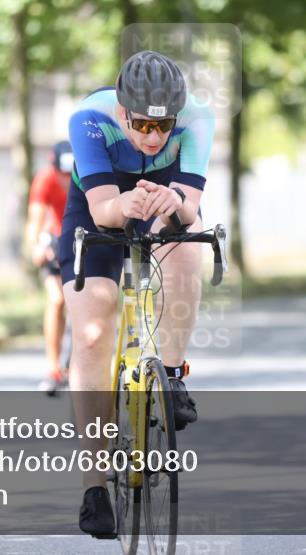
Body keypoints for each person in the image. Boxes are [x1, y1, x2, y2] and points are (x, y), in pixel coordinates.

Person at [57, 50, 214, 536]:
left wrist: (178, 206)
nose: (151, 136)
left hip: (162, 200)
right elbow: (104, 210)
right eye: (141, 124)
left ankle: (171, 375)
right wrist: (126, 203)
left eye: (162, 126)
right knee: (91, 327)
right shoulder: (89, 119)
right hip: (98, 206)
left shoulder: (198, 121)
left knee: (187, 247)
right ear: (122, 111)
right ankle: (94, 487)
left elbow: (191, 209)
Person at [23, 141, 73, 395]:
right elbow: (35, 220)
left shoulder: (84, 178)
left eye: (70, 173)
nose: (66, 180)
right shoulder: (45, 181)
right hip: (54, 243)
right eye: (61, 174)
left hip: (81, 242)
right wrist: (36, 247)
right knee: (56, 300)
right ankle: (53, 368)